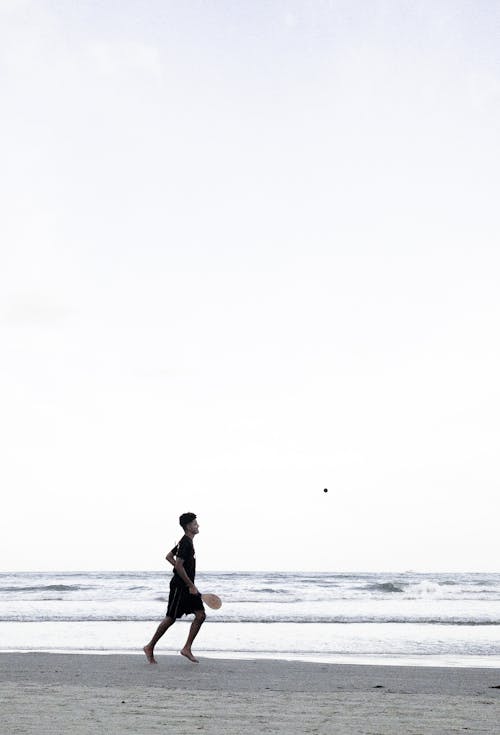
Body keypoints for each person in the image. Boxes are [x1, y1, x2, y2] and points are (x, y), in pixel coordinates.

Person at [143, 512, 206, 664]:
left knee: (200, 615)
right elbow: (177, 564)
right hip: (180, 587)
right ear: (188, 526)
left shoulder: (185, 542)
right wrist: (190, 584)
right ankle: (150, 647)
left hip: (187, 586)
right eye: (195, 524)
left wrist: (185, 576)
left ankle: (187, 648)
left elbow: (169, 557)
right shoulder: (185, 543)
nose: (198, 526)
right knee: (171, 618)